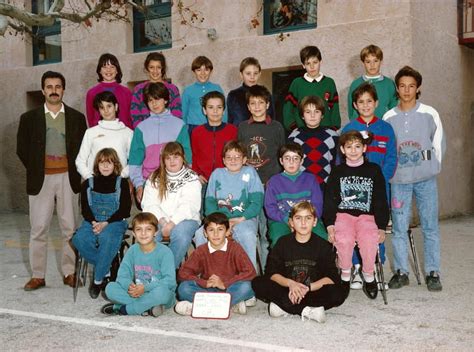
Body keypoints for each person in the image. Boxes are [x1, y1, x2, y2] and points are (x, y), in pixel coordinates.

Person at [17, 71, 87, 291]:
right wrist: (39, 168)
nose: (54, 90)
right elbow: (22, 150)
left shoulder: (76, 118)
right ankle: (38, 275)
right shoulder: (29, 118)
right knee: (38, 228)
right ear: (43, 90)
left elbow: (83, 150)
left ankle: (70, 272)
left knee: (69, 228)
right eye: (49, 87)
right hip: (41, 179)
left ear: (63, 89)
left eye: (58, 86)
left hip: (68, 178)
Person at [383, 66, 445, 292]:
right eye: (402, 86)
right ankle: (401, 271)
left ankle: (433, 272)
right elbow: (387, 149)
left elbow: (438, 142)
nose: (407, 90)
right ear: (397, 89)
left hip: (425, 179)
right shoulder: (389, 116)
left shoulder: (430, 113)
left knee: (430, 226)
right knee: (399, 227)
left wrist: (432, 168)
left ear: (417, 88)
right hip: (399, 181)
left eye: (411, 86)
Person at [252, 201, 348, 323]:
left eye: (308, 218)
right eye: (298, 218)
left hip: (312, 291)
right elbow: (272, 273)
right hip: (288, 289)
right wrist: (291, 284)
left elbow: (331, 277)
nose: (303, 223)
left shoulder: (323, 246)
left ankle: (284, 307)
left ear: (314, 222)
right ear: (291, 222)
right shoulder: (282, 243)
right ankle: (306, 311)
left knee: (340, 291)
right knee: (258, 282)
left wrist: (307, 288)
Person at [341, 82, 396, 289]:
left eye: (369, 101)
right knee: (353, 227)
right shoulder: (349, 129)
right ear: (355, 105)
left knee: (375, 229)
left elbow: (392, 157)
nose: (365, 105)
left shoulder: (386, 128)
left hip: (379, 189)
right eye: (361, 102)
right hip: (354, 191)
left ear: (377, 103)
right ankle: (355, 267)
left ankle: (375, 267)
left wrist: (379, 180)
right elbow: (341, 161)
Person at [323, 131, 389, 299]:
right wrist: (330, 225)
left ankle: (368, 275)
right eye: (349, 147)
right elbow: (329, 200)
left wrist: (381, 226)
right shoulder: (337, 171)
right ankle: (345, 274)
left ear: (365, 148)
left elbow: (381, 199)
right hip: (343, 215)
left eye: (357, 146)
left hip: (367, 217)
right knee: (343, 239)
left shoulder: (373, 170)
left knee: (368, 239)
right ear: (343, 150)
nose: (353, 150)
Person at [194, 140, 264, 271]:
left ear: (244, 159)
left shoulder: (250, 173)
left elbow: (256, 202)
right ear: (224, 160)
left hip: (244, 219)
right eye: (229, 157)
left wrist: (241, 219)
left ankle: (249, 274)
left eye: (237, 157)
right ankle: (206, 271)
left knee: (247, 234)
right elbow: (209, 202)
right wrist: (222, 222)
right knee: (200, 234)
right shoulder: (217, 174)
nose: (233, 160)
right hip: (219, 220)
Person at [72, 148, 131, 299]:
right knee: (78, 239)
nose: (105, 166)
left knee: (107, 238)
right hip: (92, 220)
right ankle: (106, 268)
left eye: (109, 163)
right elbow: (85, 209)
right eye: (102, 162)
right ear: (97, 165)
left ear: (115, 164)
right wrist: (94, 222)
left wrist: (105, 223)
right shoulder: (88, 183)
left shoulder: (122, 183)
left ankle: (97, 281)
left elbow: (125, 210)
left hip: (115, 221)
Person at [175, 212, 256, 316]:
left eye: (220, 229)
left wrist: (224, 284)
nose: (216, 234)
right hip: (208, 288)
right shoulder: (201, 250)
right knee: (183, 288)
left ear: (227, 232)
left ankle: (199, 306)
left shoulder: (235, 248)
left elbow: (250, 271)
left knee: (247, 287)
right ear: (205, 233)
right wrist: (204, 283)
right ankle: (229, 305)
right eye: (211, 230)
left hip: (230, 287)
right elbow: (183, 273)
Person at [101, 212, 176, 316]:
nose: (143, 233)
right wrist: (131, 287)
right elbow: (122, 276)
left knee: (162, 293)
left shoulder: (165, 252)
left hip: (158, 292)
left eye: (148, 229)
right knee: (110, 288)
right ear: (134, 234)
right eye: (139, 229)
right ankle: (148, 308)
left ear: (156, 232)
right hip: (137, 293)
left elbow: (170, 281)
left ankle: (125, 309)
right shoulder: (132, 250)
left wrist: (145, 288)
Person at [129, 82, 191, 204]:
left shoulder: (179, 125)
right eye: (150, 100)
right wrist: (139, 185)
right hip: (149, 183)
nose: (154, 103)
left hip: (174, 182)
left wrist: (183, 182)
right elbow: (135, 161)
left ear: (166, 100)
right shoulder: (141, 128)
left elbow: (187, 157)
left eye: (157, 99)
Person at [141, 142, 201, 268]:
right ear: (163, 160)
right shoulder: (154, 177)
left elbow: (189, 205)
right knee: (146, 233)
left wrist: (172, 223)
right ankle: (148, 273)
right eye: (168, 158)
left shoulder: (192, 177)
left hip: (185, 219)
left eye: (176, 157)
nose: (172, 161)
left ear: (183, 158)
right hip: (159, 219)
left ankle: (167, 273)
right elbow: (149, 203)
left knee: (181, 235)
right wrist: (163, 222)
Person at [264, 143, 325, 246]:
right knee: (278, 239)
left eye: (295, 158)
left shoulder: (311, 179)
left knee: (322, 238)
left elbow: (317, 205)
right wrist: (288, 220)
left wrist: (305, 220)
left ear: (301, 161)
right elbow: (270, 208)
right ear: (281, 161)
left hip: (307, 218)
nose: (291, 162)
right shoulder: (274, 181)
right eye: (287, 158)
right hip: (282, 220)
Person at [191, 91, 237, 204]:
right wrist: (197, 174)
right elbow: (193, 155)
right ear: (204, 110)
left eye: (219, 107)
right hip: (203, 182)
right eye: (211, 107)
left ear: (224, 110)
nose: (215, 111)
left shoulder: (232, 130)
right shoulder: (197, 132)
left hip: (228, 181)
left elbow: (237, 155)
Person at [76, 91, 133, 180]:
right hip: (95, 184)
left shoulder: (128, 133)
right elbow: (80, 161)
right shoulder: (90, 132)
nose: (106, 111)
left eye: (109, 106)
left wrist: (122, 176)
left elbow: (134, 162)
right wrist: (89, 177)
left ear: (116, 107)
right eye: (102, 107)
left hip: (119, 185)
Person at [283, 45, 340, 131]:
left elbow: (334, 108)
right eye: (308, 63)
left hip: (326, 130)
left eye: (315, 62)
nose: (312, 67)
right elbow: (288, 108)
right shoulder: (297, 83)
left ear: (320, 61)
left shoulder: (329, 82)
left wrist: (334, 127)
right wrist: (293, 127)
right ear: (303, 65)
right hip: (302, 130)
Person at [287, 95, 338, 190]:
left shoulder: (332, 136)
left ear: (322, 115)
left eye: (317, 111)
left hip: (326, 186)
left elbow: (336, 163)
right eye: (308, 112)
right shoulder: (294, 137)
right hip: (301, 186)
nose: (312, 115)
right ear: (302, 115)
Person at [237, 84, 285, 185]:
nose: (257, 107)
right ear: (248, 107)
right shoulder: (242, 127)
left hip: (271, 180)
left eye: (261, 102)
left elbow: (282, 154)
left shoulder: (276, 127)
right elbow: (239, 153)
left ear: (267, 105)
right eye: (253, 103)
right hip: (248, 180)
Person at [130, 52, 182, 128]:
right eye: (151, 67)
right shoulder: (138, 90)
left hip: (168, 132)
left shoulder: (172, 89)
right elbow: (135, 116)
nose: (155, 71)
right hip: (146, 132)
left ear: (163, 68)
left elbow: (177, 114)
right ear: (147, 69)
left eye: (158, 67)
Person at [347, 45, 397, 121]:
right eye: (368, 62)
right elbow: (351, 111)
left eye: (375, 61)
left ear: (381, 61)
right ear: (363, 62)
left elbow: (394, 108)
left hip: (383, 127)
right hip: (361, 128)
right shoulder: (356, 84)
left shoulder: (389, 84)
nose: (372, 65)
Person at [85, 53, 133, 128]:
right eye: (104, 67)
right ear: (99, 71)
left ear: (117, 70)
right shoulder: (91, 93)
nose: (108, 70)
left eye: (112, 67)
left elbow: (131, 118)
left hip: (122, 134)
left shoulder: (127, 92)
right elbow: (90, 118)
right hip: (100, 135)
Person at [182, 56, 227, 134]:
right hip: (194, 127)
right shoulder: (188, 91)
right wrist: (185, 131)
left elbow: (224, 110)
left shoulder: (217, 88)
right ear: (194, 72)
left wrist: (224, 126)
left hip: (215, 126)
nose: (203, 73)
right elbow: (183, 113)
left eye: (206, 70)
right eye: (199, 70)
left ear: (211, 71)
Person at [227, 57, 275, 126]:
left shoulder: (265, 93)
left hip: (261, 133)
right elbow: (230, 121)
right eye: (248, 73)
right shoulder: (233, 95)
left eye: (255, 73)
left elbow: (272, 118)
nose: (252, 77)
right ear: (241, 75)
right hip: (240, 134)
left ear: (259, 74)